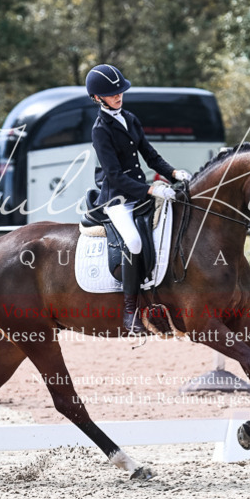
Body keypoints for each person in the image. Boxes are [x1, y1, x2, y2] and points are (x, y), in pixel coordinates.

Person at [86, 63, 192, 335]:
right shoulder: (100, 129)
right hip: (116, 198)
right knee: (133, 242)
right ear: (97, 98)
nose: (118, 96)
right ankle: (130, 312)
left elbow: (149, 154)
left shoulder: (130, 118)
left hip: (139, 192)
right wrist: (151, 190)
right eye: (112, 94)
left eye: (120, 91)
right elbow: (114, 175)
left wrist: (172, 172)